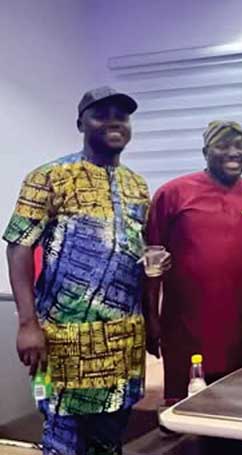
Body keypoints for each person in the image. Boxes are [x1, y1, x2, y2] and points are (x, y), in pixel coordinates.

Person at [5, 86, 149, 454]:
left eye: (122, 115)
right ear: (80, 124)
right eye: (101, 114)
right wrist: (27, 324)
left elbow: (137, 254)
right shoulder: (49, 177)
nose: (114, 122)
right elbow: (19, 246)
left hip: (124, 343)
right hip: (65, 343)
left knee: (110, 442)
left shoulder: (137, 185)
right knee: (63, 442)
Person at [145, 121, 242, 402]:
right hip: (186, 328)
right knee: (185, 408)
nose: (233, 153)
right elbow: (151, 263)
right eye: (223, 146)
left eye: (240, 146)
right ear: (205, 152)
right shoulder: (172, 194)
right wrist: (150, 317)